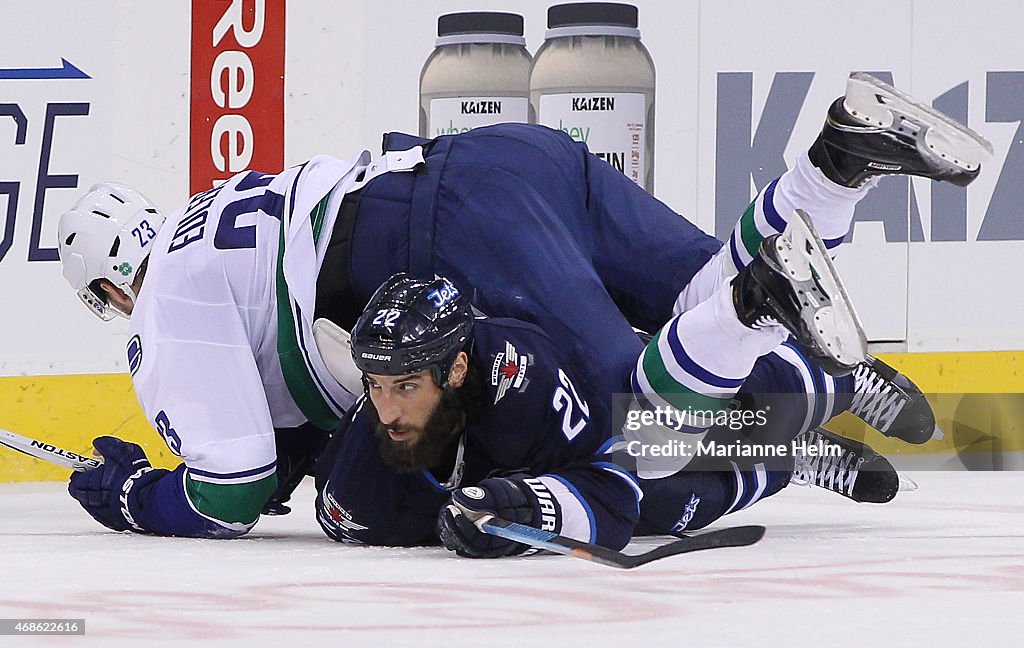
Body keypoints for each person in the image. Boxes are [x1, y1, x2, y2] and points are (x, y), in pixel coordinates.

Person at [57, 73, 985, 538]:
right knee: (709, 279)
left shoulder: (162, 308)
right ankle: (836, 169)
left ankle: (770, 394)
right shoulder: (215, 215)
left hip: (445, 238)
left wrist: (136, 494)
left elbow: (235, 487)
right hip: (505, 161)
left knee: (641, 419)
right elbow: (300, 401)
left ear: (109, 286)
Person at [315, 273, 641, 555]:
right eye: (374, 384)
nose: (386, 414)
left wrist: (528, 507)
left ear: (456, 369)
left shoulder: (524, 379)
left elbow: (617, 497)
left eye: (406, 386)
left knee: (676, 499)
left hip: (626, 408)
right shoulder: (358, 495)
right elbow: (340, 514)